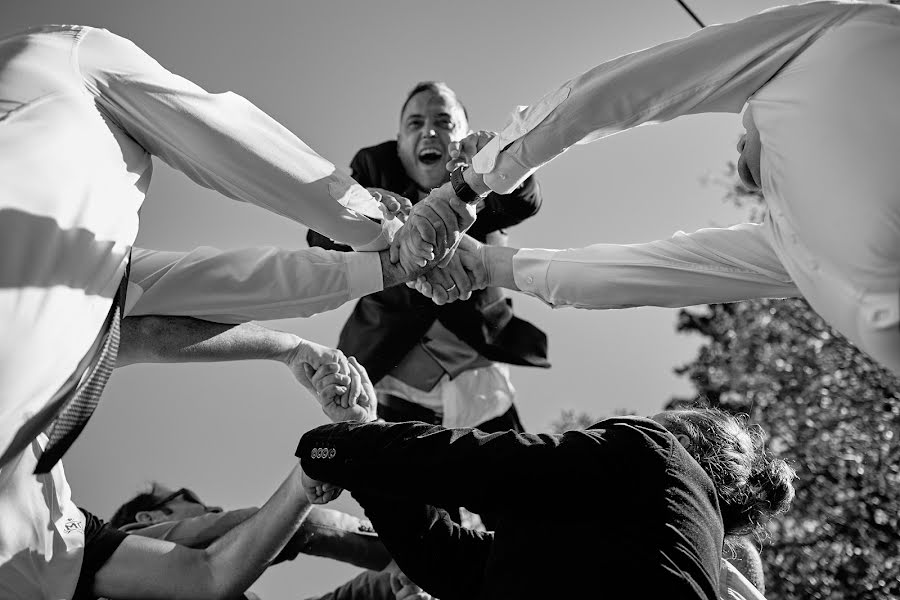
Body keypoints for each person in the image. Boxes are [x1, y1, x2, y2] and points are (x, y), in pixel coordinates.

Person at [0, 23, 472, 599]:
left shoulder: (34, 525)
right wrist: (384, 235)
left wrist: (332, 313)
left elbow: (165, 306)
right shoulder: (59, 60)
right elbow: (223, 138)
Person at [413, 1, 900, 378]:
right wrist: (489, 265)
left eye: (744, 133)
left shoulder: (850, 34)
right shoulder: (790, 248)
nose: (741, 163)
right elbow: (646, 273)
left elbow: (607, 95)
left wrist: (466, 186)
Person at [295, 407, 795, 599]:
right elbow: (440, 555)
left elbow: (476, 464)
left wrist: (335, 445)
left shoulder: (658, 455)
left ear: (684, 432)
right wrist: (356, 455)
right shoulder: (595, 548)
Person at [307, 81, 548, 444]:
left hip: (478, 379)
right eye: (415, 124)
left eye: (444, 122)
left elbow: (525, 201)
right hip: (395, 377)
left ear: (465, 136)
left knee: (521, 488)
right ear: (400, 142)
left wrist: (501, 162)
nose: (429, 132)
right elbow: (319, 236)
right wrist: (366, 209)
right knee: (399, 492)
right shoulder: (374, 167)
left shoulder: (483, 171)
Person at [109, 483, 433, 600]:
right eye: (192, 499)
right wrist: (413, 553)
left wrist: (390, 584)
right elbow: (298, 526)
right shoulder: (131, 543)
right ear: (148, 518)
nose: (214, 509)